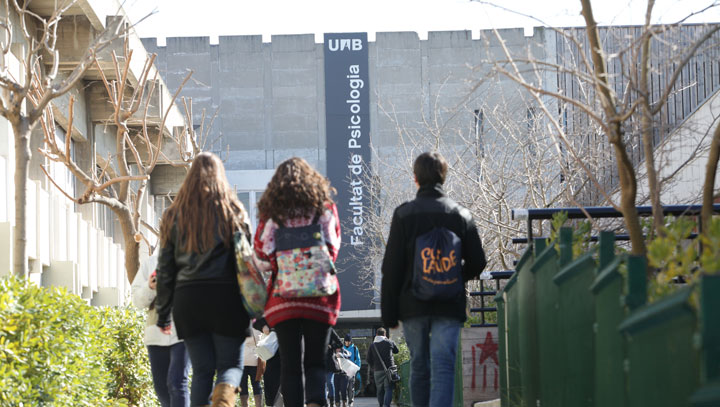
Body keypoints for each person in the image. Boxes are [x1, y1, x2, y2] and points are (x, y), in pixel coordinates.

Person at [381, 152, 487, 407]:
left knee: (419, 366)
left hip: (413, 305)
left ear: (415, 179)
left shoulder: (404, 215)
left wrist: (389, 315)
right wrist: (455, 276)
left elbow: (392, 267)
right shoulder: (461, 215)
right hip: (449, 304)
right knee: (443, 366)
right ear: (444, 176)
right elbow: (479, 261)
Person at [155, 152, 251, 407]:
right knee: (230, 366)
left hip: (188, 300)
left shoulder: (174, 215)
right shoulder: (235, 212)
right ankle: (223, 398)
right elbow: (246, 259)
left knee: (202, 371)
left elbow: (166, 269)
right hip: (227, 298)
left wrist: (163, 314)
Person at [253, 157, 342, 407]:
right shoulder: (324, 208)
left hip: (284, 298)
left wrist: (281, 261)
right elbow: (333, 248)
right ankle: (315, 403)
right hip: (320, 296)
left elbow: (260, 254)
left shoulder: (272, 214)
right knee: (315, 361)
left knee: (291, 366)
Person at [131, 252, 191, 407]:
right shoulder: (150, 263)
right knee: (161, 389)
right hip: (156, 334)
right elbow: (137, 301)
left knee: (177, 383)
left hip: (184, 332)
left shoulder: (194, 259)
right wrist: (150, 287)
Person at [253, 318, 282, 407]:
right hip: (273, 355)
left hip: (293, 351)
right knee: (273, 387)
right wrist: (264, 326)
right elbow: (256, 318)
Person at [366, 328, 399, 407]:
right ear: (385, 334)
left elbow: (368, 359)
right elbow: (396, 351)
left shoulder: (372, 345)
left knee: (380, 390)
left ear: (376, 334)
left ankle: (381, 405)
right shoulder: (389, 342)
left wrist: (373, 367)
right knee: (388, 389)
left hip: (377, 370)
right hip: (390, 370)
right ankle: (386, 405)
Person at [240, 327, 264, 407]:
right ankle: (258, 405)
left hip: (242, 360)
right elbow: (259, 340)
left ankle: (245, 405)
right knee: (256, 385)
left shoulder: (239, 325)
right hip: (254, 360)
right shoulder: (256, 328)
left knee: (243, 386)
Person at [340, 334, 361, 407]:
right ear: (344, 341)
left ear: (351, 341)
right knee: (344, 387)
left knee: (351, 387)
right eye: (346, 341)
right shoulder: (341, 348)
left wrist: (357, 369)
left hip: (351, 370)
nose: (347, 343)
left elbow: (358, 360)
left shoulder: (355, 348)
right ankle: (344, 401)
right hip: (343, 370)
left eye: (349, 341)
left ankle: (351, 401)